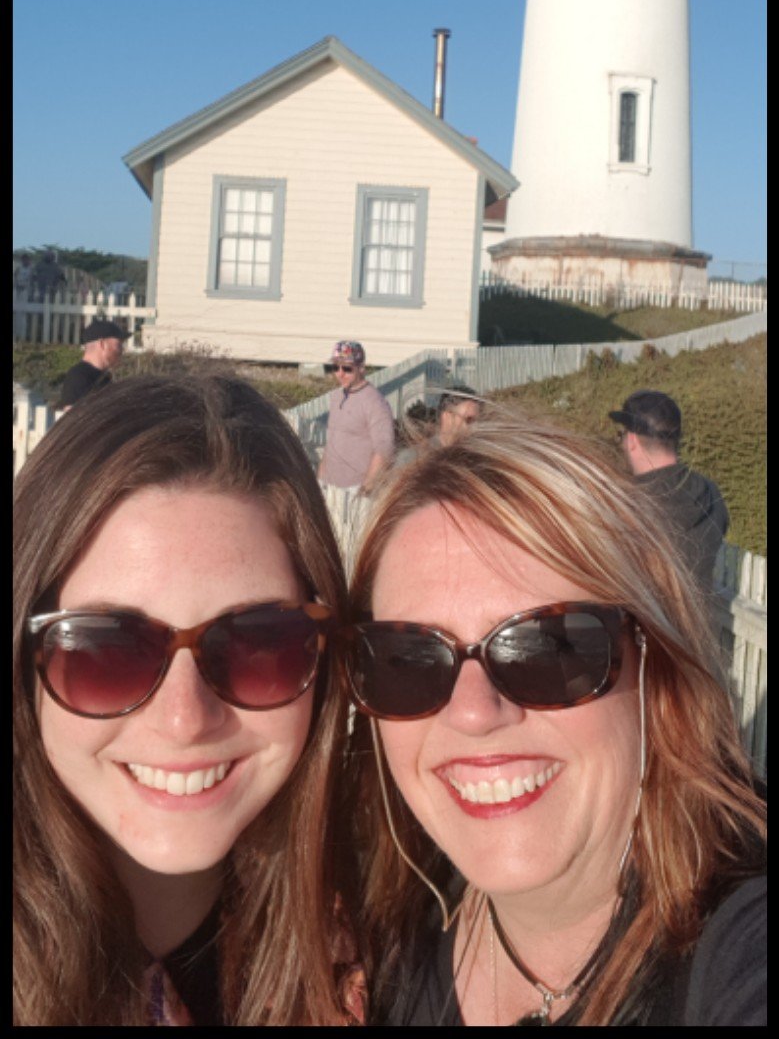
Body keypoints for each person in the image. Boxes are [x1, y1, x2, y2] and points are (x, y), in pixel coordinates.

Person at [342, 410, 765, 1026]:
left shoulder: (739, 946)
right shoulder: (388, 936)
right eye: (410, 659)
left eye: (549, 648)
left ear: (654, 664)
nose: (473, 713)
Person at [14, 374, 364, 1026]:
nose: (185, 720)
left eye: (258, 643)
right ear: (24, 663)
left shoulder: (396, 947)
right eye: (106, 650)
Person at [608, 390, 730, 596]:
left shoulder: (623, 505)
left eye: (621, 435)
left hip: (641, 617)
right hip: (696, 616)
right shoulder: (711, 493)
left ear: (633, 440)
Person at [318, 341, 395, 568]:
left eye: (347, 368)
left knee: (353, 556)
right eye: (335, 367)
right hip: (330, 489)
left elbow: (384, 448)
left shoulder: (375, 403)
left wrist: (365, 491)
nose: (340, 374)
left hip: (356, 493)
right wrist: (319, 481)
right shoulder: (336, 398)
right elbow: (331, 442)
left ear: (362, 368)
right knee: (328, 551)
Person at [58, 318, 130, 410]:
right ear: (102, 344)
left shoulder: (105, 378)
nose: (122, 349)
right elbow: (74, 417)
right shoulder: (78, 377)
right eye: (119, 344)